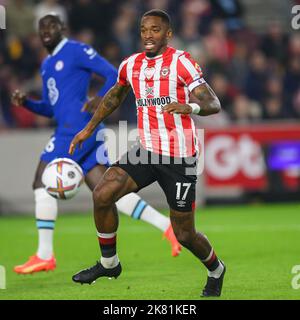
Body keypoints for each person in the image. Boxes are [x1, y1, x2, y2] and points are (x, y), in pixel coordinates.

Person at [69, 9, 226, 297]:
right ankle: (109, 263)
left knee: (185, 235)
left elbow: (213, 102)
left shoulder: (182, 62)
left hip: (180, 158)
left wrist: (189, 107)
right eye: (144, 30)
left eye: (155, 30)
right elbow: (116, 94)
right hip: (147, 151)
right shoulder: (131, 64)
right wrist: (89, 129)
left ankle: (216, 269)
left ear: (167, 34)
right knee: (102, 194)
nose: (148, 35)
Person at [11, 14, 181, 275]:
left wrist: (99, 99)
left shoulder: (76, 50)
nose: (46, 30)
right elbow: (50, 108)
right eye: (42, 27)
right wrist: (28, 104)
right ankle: (166, 226)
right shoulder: (47, 64)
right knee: (105, 191)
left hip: (76, 131)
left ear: (62, 28)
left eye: (52, 25)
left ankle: (45, 254)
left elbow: (113, 74)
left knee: (39, 181)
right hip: (71, 127)